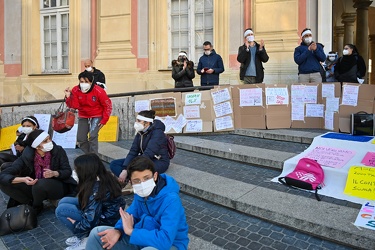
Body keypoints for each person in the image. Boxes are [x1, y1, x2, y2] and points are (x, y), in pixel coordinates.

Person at [86, 156, 189, 250]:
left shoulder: (171, 200)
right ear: (130, 182)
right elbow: (130, 216)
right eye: (137, 181)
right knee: (97, 233)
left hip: (170, 244)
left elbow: (165, 241)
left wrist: (131, 232)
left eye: (146, 178)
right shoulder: (140, 194)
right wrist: (118, 230)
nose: (142, 184)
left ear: (155, 176)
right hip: (142, 236)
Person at [55, 153, 125, 250]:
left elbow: (91, 220)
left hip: (105, 221)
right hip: (104, 214)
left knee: (61, 210)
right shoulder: (102, 177)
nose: (74, 172)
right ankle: (82, 235)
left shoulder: (97, 189)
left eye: (77, 169)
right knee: (64, 201)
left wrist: (76, 224)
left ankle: (86, 238)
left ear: (85, 171)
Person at [0, 129, 77, 213]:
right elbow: (3, 175)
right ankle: (30, 202)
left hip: (58, 185)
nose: (50, 141)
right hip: (35, 186)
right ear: (37, 146)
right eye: (45, 141)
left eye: (49, 138)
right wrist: (23, 179)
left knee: (39, 184)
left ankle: (35, 207)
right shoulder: (27, 156)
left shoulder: (58, 151)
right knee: (4, 182)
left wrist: (55, 173)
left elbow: (67, 171)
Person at [110, 110, 170, 193]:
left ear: (147, 123)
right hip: (143, 158)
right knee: (114, 164)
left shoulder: (158, 133)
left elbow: (149, 153)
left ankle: (130, 183)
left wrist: (128, 169)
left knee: (138, 168)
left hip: (158, 161)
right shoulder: (140, 132)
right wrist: (125, 169)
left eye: (138, 121)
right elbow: (133, 151)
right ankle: (131, 181)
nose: (136, 123)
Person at [64, 71, 112, 154]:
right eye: (82, 82)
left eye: (86, 82)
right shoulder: (76, 90)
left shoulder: (98, 90)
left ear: (91, 82)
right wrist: (68, 97)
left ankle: (94, 158)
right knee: (81, 138)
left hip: (96, 115)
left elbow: (107, 105)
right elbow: (74, 106)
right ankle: (90, 155)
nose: (84, 84)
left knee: (93, 135)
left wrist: (104, 120)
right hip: (83, 115)